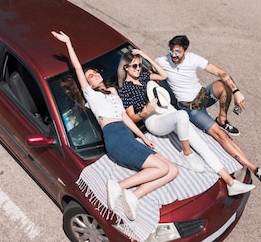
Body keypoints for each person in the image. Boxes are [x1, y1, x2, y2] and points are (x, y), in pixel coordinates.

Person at [52, 31, 179, 221]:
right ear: (87, 84)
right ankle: (119, 186)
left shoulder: (112, 91)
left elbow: (125, 118)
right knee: (161, 168)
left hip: (127, 135)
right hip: (114, 138)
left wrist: (143, 138)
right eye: (89, 76)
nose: (93, 75)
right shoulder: (91, 96)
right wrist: (69, 43)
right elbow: (78, 68)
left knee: (173, 170)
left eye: (94, 72)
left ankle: (133, 196)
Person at [117, 50, 255, 196]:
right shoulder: (125, 89)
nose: (138, 68)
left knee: (202, 145)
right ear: (126, 68)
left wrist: (144, 56)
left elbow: (164, 75)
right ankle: (187, 153)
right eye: (134, 66)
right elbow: (131, 117)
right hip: (154, 119)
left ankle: (231, 183)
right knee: (182, 115)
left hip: (168, 110)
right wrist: (145, 112)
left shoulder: (144, 76)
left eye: (139, 65)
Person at [156, 35, 261, 183]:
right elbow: (148, 70)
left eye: (177, 52)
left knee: (223, 85)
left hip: (202, 96)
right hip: (192, 109)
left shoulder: (193, 58)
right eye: (172, 51)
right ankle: (254, 167)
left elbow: (221, 73)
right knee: (221, 135)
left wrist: (236, 92)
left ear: (185, 51)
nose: (173, 55)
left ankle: (222, 119)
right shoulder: (162, 61)